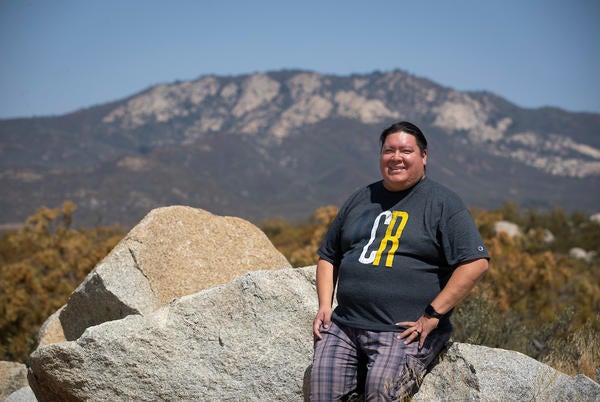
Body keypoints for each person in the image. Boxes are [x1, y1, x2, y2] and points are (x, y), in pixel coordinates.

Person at [310, 121, 489, 401]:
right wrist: (324, 305)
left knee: (382, 391)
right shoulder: (361, 198)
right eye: (388, 150)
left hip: (402, 331)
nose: (396, 158)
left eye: (405, 151)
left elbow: (475, 263)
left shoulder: (443, 203)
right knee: (322, 390)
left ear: (423, 156)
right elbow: (328, 255)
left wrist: (432, 315)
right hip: (345, 325)